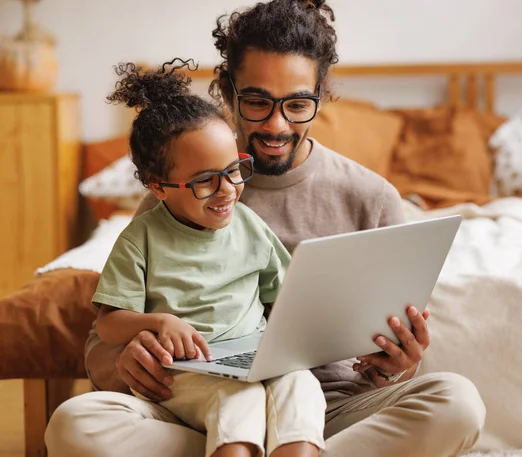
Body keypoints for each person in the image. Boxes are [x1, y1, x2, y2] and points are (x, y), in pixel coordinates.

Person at [45, 1, 486, 456]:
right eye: (257, 102)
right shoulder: (180, 192)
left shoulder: (372, 198)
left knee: (458, 403)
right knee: (74, 424)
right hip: (200, 408)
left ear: (321, 95)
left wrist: (397, 365)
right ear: (225, 92)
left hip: (329, 412)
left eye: (297, 104)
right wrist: (126, 364)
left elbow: (394, 360)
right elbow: (102, 341)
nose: (277, 125)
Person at [90, 60, 326, 457]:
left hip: (257, 358)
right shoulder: (141, 239)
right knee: (238, 401)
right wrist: (158, 321)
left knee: (302, 388)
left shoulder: (248, 224)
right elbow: (109, 326)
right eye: (204, 181)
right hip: (188, 371)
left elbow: (288, 298)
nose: (227, 190)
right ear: (157, 187)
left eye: (233, 170)